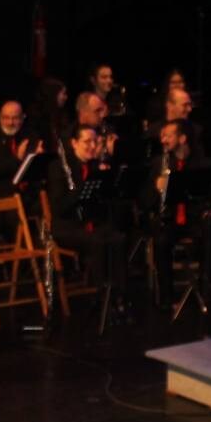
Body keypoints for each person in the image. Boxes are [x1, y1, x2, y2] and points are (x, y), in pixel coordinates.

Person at [47, 124, 128, 313]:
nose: (92, 146)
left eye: (95, 142)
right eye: (86, 142)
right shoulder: (59, 167)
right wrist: (86, 185)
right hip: (68, 226)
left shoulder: (96, 164)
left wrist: (105, 177)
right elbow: (60, 207)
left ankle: (120, 295)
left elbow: (109, 201)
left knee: (118, 238)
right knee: (98, 241)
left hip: (93, 222)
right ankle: (100, 295)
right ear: (74, 143)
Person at [142, 119, 211, 309]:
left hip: (194, 219)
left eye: (168, 135)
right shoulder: (159, 163)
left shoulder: (202, 163)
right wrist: (156, 189)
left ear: (182, 138)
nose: (163, 139)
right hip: (169, 220)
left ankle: (205, 289)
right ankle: (167, 298)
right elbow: (144, 201)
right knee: (161, 240)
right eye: (162, 135)